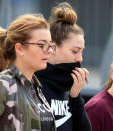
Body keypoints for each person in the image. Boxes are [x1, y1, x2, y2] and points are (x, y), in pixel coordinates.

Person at [0, 14, 57, 131]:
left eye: (50, 45)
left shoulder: (35, 87)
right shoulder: (3, 85)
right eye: (41, 45)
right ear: (19, 49)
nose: (49, 51)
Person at [35, 2, 91, 131]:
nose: (80, 58)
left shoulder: (69, 86)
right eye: (75, 51)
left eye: (82, 52)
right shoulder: (33, 82)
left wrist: (75, 97)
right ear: (53, 48)